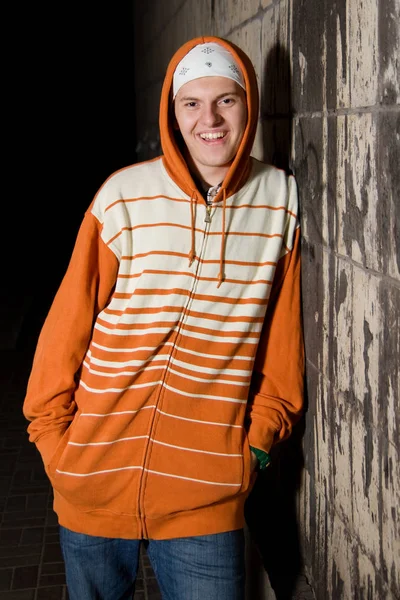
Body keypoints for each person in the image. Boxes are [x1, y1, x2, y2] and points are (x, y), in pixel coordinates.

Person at [23, 35, 304, 600]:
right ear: (173, 114)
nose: (210, 119)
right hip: (90, 481)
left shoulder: (280, 201)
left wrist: (255, 447)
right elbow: (65, 331)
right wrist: (56, 446)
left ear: (249, 103)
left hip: (207, 494)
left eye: (226, 99)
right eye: (191, 103)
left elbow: (283, 345)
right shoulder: (123, 196)